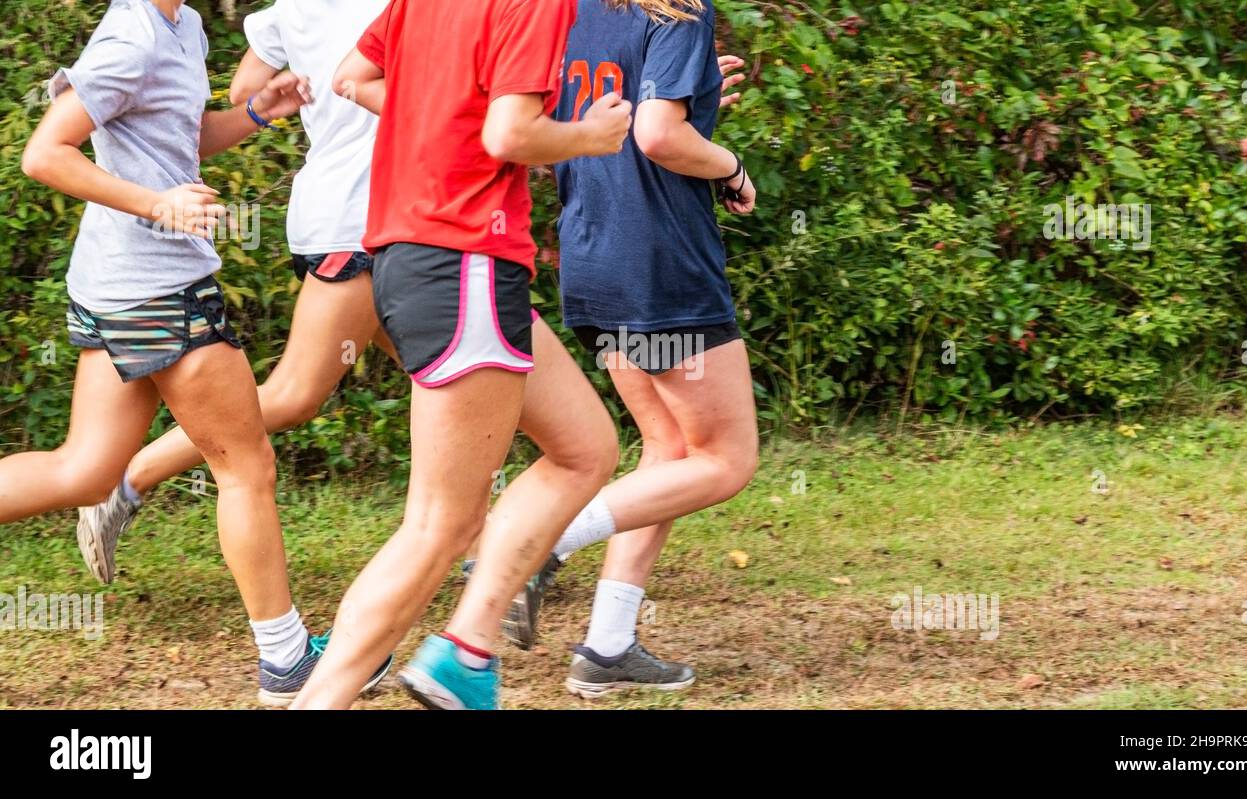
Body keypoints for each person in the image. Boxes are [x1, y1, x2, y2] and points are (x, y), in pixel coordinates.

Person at [5, 0, 386, 705]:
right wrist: (159, 207)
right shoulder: (132, 34)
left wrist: (259, 112)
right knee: (245, 466)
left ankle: (283, 654)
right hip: (158, 286)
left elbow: (182, 138)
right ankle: (285, 659)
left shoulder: (179, 25)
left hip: (117, 282)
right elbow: (45, 153)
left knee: (86, 470)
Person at [288, 0, 633, 710]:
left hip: (422, 254)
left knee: (585, 448)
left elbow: (353, 76)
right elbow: (510, 134)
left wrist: (445, 122)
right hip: (463, 258)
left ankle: (466, 652)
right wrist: (591, 136)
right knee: (438, 526)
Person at [76, 0, 400, 590]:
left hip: (357, 213)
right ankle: (127, 481)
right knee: (293, 397)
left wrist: (284, 94)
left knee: (451, 382)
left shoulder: (291, 8)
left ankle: (493, 535)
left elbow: (243, 86)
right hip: (364, 218)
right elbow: (49, 150)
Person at [517, 0, 759, 699]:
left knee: (668, 448)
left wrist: (695, 84)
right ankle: (542, 542)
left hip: (593, 255)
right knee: (726, 457)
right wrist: (731, 167)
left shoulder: (568, 11)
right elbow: (657, 136)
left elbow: (591, 112)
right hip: (659, 263)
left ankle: (608, 644)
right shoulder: (677, 8)